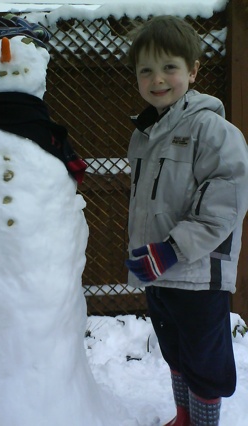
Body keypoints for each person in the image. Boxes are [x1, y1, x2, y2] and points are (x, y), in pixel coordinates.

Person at [125, 15, 248, 426]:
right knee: (175, 352)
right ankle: (184, 417)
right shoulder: (144, 132)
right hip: (159, 271)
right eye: (146, 70)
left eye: (169, 67)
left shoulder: (213, 130)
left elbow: (224, 205)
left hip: (196, 273)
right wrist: (149, 254)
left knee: (204, 364)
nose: (157, 79)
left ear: (193, 71)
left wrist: (172, 250)